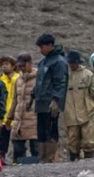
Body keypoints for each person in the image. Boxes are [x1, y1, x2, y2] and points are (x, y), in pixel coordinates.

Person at [32, 33, 67, 163]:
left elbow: (60, 82)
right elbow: (39, 81)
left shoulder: (59, 62)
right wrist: (32, 96)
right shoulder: (43, 61)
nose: (41, 50)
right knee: (41, 130)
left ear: (50, 46)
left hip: (51, 102)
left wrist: (56, 100)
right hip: (41, 101)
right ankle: (43, 158)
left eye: (42, 47)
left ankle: (50, 158)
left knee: (51, 129)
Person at [65, 50, 94, 161]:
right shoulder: (65, 75)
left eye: (73, 63)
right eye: (70, 63)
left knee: (88, 142)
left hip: (87, 112)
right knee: (72, 141)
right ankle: (74, 162)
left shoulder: (87, 75)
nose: (72, 65)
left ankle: (88, 163)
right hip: (71, 113)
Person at [6, 53, 38, 163]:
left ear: (30, 64)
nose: (21, 68)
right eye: (19, 66)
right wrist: (9, 118)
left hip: (34, 119)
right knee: (18, 149)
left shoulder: (38, 78)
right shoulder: (18, 80)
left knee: (35, 148)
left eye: (23, 65)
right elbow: (15, 100)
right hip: (19, 119)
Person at [0, 56, 19, 158]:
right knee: (2, 141)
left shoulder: (18, 79)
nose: (4, 66)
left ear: (13, 66)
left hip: (15, 115)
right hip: (4, 115)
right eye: (2, 65)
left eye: (7, 64)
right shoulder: (1, 80)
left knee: (16, 141)